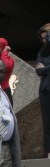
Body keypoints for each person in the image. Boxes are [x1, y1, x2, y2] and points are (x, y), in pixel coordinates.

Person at [38, 23, 50, 159]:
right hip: (45, 89)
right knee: (47, 123)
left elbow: (43, 69)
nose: (44, 41)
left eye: (46, 37)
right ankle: (49, 152)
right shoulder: (42, 51)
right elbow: (38, 70)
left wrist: (46, 67)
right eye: (42, 38)